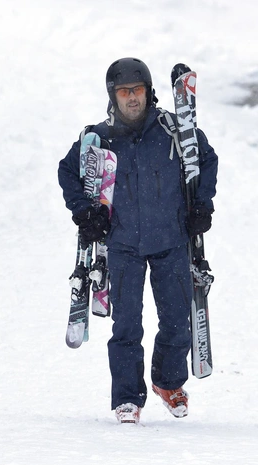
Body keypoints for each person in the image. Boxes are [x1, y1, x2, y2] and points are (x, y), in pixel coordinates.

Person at [57, 57, 218, 425]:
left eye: (138, 90)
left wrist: (202, 205)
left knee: (178, 322)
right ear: (113, 95)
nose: (132, 98)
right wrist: (85, 212)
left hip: (171, 240)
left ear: (149, 91)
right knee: (127, 325)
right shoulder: (97, 138)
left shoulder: (174, 131)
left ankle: (167, 382)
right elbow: (68, 171)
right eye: (124, 92)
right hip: (123, 244)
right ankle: (128, 398)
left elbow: (206, 161)